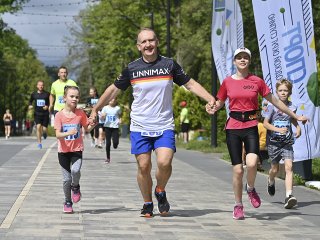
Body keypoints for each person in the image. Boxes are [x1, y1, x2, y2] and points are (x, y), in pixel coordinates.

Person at [90, 28, 215, 217]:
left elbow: (190, 83)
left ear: (157, 42)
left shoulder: (169, 64)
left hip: (164, 124)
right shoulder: (132, 69)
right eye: (144, 42)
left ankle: (160, 191)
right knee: (144, 167)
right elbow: (113, 91)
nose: (148, 44)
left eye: (151, 40)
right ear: (139, 46)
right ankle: (147, 203)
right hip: (140, 125)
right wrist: (96, 108)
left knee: (164, 163)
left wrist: (210, 98)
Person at [206, 47, 309, 220]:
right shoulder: (227, 82)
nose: (242, 60)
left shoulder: (257, 81)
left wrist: (295, 116)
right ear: (234, 61)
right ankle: (238, 205)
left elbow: (276, 101)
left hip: (251, 125)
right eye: (239, 57)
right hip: (233, 127)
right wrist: (212, 107)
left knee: (252, 163)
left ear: (250, 61)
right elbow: (219, 102)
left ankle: (251, 188)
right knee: (238, 170)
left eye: (246, 57)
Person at [54, 86, 97, 213]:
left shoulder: (80, 114)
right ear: (64, 98)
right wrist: (68, 133)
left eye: (77, 97)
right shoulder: (59, 116)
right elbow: (57, 135)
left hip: (77, 149)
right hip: (63, 151)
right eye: (72, 96)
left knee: (76, 170)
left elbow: (87, 128)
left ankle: (76, 186)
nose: (74, 99)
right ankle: (68, 201)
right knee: (66, 179)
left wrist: (94, 124)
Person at [263, 78, 301, 209]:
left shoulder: (293, 107)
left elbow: (293, 119)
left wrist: (298, 127)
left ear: (290, 92)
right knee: (275, 169)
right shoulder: (271, 106)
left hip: (287, 142)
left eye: (286, 90)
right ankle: (271, 180)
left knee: (289, 167)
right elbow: (265, 124)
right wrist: (278, 129)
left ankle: (289, 196)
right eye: (281, 91)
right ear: (276, 92)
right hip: (273, 142)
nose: (283, 93)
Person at [28, 80, 50, 148]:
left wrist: (47, 106)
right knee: (38, 128)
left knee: (44, 129)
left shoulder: (47, 94)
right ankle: (39, 143)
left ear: (44, 86)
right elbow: (30, 101)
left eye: (42, 85)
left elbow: (50, 102)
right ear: (37, 86)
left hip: (45, 114)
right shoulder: (34, 94)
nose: (41, 86)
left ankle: (45, 133)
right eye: (40, 85)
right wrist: (30, 105)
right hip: (37, 114)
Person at [100, 97, 122, 163]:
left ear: (115, 100)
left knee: (115, 142)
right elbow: (101, 119)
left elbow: (120, 115)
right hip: (107, 126)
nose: (111, 100)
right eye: (110, 99)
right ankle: (108, 158)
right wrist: (103, 115)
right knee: (108, 143)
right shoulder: (105, 108)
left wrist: (120, 120)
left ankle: (115, 144)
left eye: (113, 99)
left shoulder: (117, 108)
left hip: (115, 127)